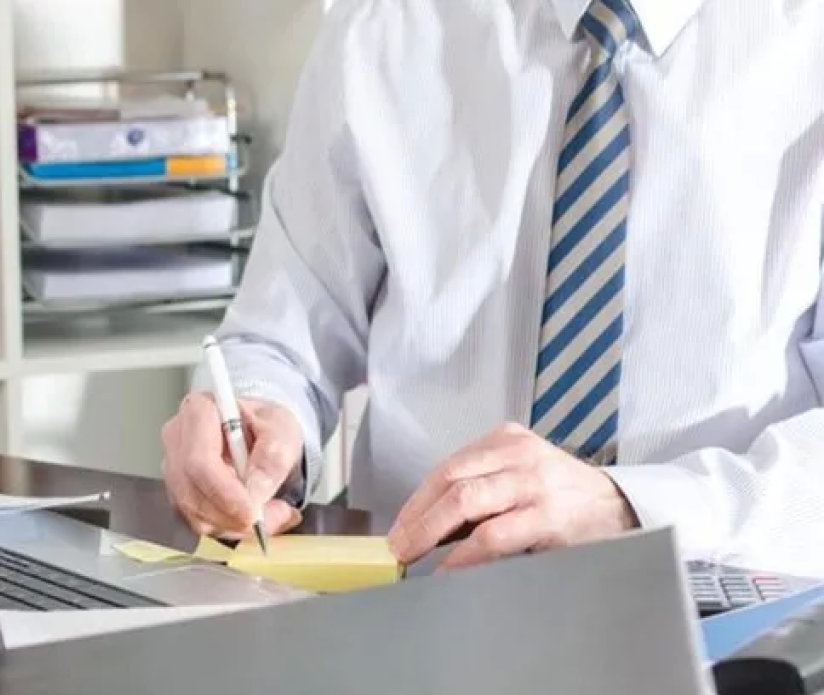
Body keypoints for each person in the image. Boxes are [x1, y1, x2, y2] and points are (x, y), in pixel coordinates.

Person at [160, 0, 824, 576]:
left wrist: (630, 504)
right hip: (421, 606)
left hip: (730, 613)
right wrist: (254, 423)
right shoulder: (382, 32)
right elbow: (278, 343)